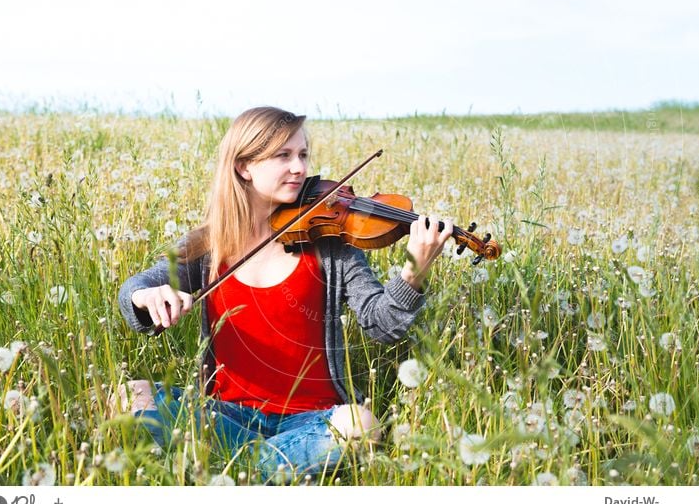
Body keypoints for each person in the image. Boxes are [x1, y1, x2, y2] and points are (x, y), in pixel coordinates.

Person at [116, 106, 453, 482]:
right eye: (284, 155)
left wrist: (414, 271)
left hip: (314, 420)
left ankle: (230, 467)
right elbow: (136, 289)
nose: (300, 168)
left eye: (303, 155)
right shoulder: (210, 244)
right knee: (130, 396)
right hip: (224, 415)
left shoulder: (330, 244)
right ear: (245, 166)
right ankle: (266, 468)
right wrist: (144, 298)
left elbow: (380, 324)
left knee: (362, 425)